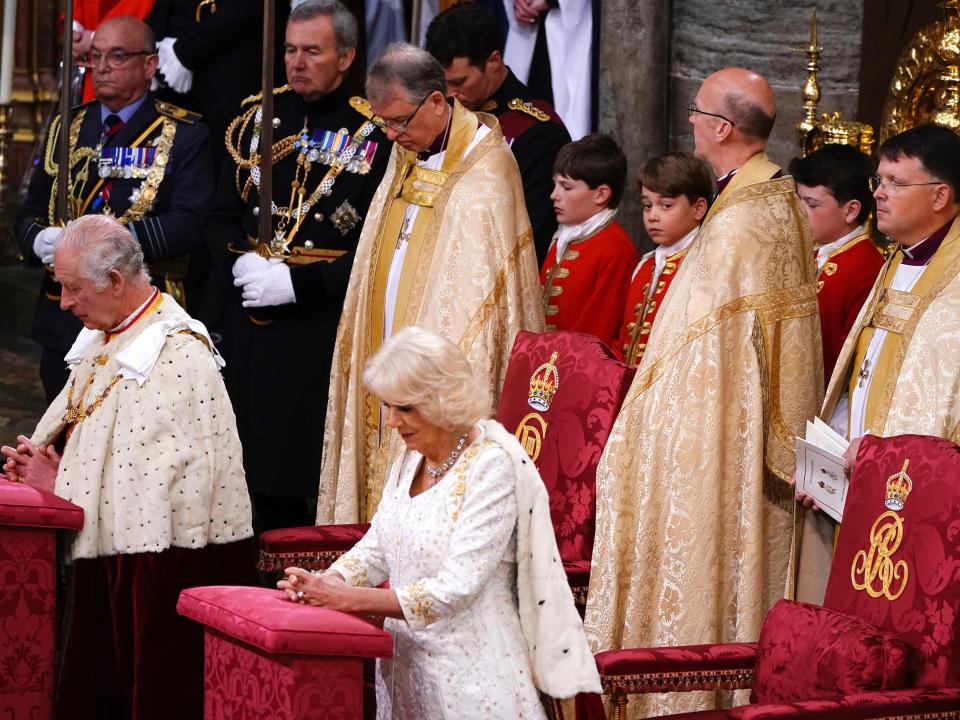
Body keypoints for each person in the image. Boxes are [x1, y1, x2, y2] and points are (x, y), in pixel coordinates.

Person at [583, 67, 822, 717]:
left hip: (717, 458)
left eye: (696, 112)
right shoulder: (756, 202)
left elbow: (726, 367)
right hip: (698, 446)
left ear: (721, 128)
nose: (688, 121)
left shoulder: (750, 219)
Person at [1, 215, 254, 720]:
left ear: (115, 281)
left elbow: (151, 488)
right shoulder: (109, 333)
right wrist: (41, 457)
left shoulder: (177, 353)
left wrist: (58, 484)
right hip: (104, 558)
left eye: (73, 288)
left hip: (154, 574)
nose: (65, 302)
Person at [279, 327, 600, 718]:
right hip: (403, 670)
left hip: (472, 680)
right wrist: (330, 582)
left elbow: (456, 588)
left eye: (406, 408)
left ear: (445, 401)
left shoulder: (491, 467)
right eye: (388, 407)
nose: (393, 422)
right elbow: (379, 544)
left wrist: (351, 600)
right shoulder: (411, 457)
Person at [317, 43, 544, 526]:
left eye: (400, 121)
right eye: (385, 124)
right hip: (385, 340)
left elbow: (477, 299)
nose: (394, 134)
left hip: (434, 359)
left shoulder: (488, 168)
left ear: (438, 102)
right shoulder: (406, 154)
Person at [206, 0, 390, 532]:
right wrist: (240, 266)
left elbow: (375, 246)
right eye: (289, 49)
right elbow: (219, 217)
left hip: (319, 328)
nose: (296, 62)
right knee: (242, 473)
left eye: (313, 50)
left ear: (347, 57)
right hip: (248, 324)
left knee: (299, 479)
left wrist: (299, 283)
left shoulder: (374, 132)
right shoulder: (258, 116)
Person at [793, 124, 960, 604]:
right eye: (878, 182)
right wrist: (829, 459)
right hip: (856, 479)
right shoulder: (895, 262)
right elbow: (859, 375)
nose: (879, 195)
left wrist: (877, 458)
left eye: (894, 183)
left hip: (910, 501)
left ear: (940, 195)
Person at [16, 15, 214, 404]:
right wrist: (39, 239)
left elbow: (190, 222)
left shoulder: (184, 132)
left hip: (141, 314)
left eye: (117, 56)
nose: (102, 68)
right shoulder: (67, 125)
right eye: (95, 57)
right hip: (64, 313)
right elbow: (29, 210)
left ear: (149, 64)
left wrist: (105, 248)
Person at [425, 3, 571, 263]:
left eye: (459, 82)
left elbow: (532, 238)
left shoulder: (537, 133)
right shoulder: (436, 115)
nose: (448, 94)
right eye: (441, 82)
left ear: (493, 62)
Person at [789, 144, 885, 379]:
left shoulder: (865, 268)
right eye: (798, 200)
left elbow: (845, 362)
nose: (799, 212)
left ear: (851, 210)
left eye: (811, 204)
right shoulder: (814, 251)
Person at [612, 151, 712, 367]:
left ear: (698, 208)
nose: (652, 216)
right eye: (647, 205)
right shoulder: (646, 264)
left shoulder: (703, 267)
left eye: (666, 205)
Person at [539, 134, 638, 349]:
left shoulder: (616, 249)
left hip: (576, 369)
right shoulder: (562, 240)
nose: (554, 195)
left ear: (601, 194)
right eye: (555, 185)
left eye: (566, 187)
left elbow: (597, 331)